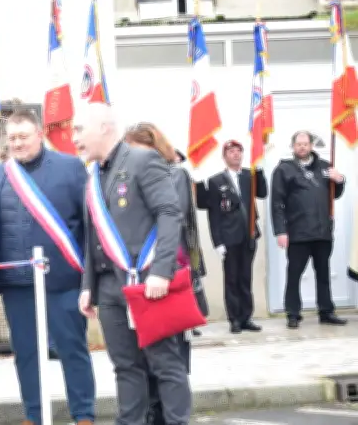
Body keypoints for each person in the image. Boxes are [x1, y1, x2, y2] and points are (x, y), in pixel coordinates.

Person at [75, 104, 191, 425]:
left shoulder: (142, 160)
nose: (74, 138)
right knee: (125, 366)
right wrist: (87, 285)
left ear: (104, 128)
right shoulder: (93, 175)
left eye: (79, 129)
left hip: (147, 282)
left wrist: (161, 271)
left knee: (165, 363)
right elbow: (93, 235)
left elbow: (169, 213)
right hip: (109, 286)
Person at [0, 109, 95, 425]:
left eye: (23, 136)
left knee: (72, 349)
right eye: (12, 138)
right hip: (16, 284)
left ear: (39, 135)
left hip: (63, 280)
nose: (17, 143)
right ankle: (34, 414)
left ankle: (83, 414)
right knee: (27, 353)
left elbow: (89, 225)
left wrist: (90, 279)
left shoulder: (70, 168)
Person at [124, 122, 208, 425]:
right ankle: (152, 410)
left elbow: (172, 215)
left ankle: (170, 413)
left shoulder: (175, 174)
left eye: (137, 150)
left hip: (168, 268)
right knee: (143, 349)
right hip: (139, 272)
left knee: (171, 351)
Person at [271, 130, 347, 329]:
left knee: (323, 274)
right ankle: (293, 314)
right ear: (293, 147)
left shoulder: (325, 167)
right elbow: (277, 203)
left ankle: (326, 312)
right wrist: (280, 231)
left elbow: (335, 194)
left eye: (306, 144)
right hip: (298, 233)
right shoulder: (284, 170)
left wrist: (339, 180)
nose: (302, 147)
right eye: (299, 144)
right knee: (294, 274)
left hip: (322, 232)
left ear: (311, 145)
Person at [204, 140, 267, 334]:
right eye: (231, 151)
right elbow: (213, 214)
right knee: (231, 279)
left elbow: (262, 193)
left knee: (246, 278)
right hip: (229, 237)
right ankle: (234, 319)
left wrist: (260, 171)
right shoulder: (216, 181)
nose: (236, 154)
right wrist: (217, 242)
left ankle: (246, 317)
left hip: (249, 234)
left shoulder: (250, 175)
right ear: (224, 157)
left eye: (239, 151)